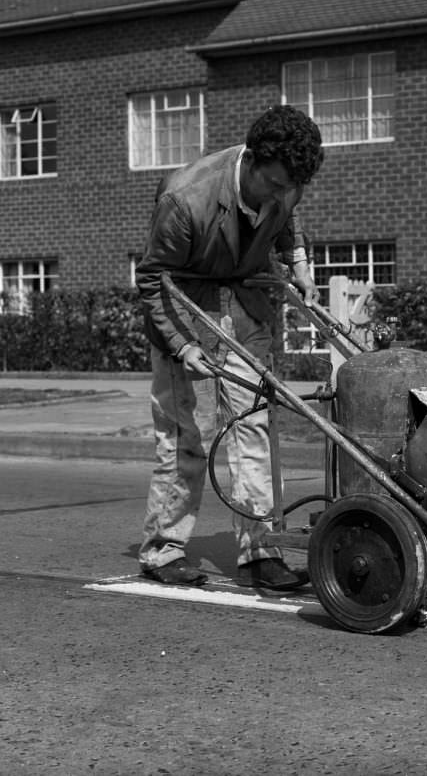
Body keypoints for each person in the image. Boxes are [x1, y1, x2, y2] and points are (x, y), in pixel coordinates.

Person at [135, 105, 324, 590]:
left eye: (291, 187)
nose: (284, 194)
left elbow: (286, 219)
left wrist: (298, 263)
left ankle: (258, 552)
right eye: (276, 185)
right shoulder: (186, 198)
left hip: (245, 310)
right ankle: (163, 549)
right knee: (186, 442)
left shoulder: (287, 183)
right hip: (186, 312)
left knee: (253, 432)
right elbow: (153, 279)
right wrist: (179, 345)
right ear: (253, 161)